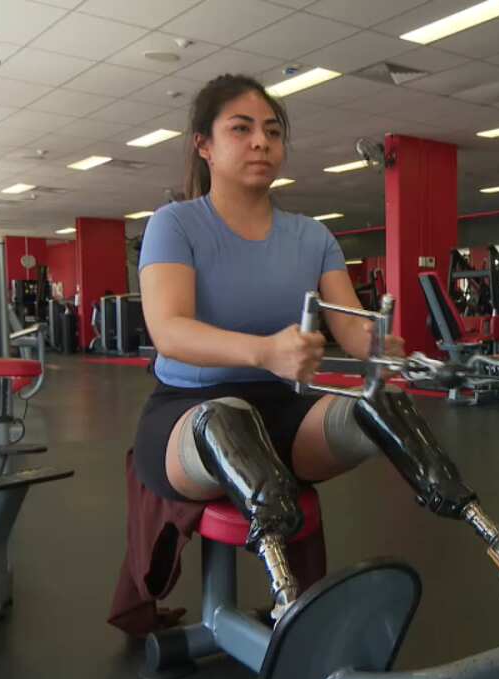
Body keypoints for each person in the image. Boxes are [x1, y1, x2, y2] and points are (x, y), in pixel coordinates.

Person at [130, 74, 403, 621]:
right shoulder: (174, 224)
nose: (261, 142)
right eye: (242, 128)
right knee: (229, 420)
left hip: (285, 416)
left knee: (383, 410)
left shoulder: (314, 237)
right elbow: (170, 331)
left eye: (272, 132)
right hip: (188, 411)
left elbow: (351, 329)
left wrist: (382, 346)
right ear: (203, 145)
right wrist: (262, 352)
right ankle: (291, 602)